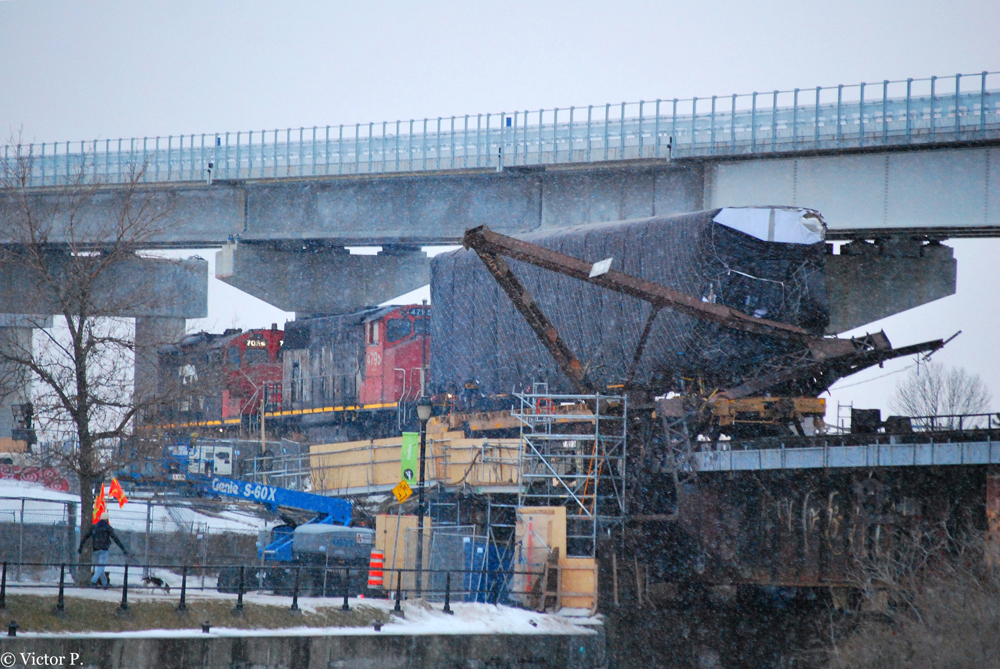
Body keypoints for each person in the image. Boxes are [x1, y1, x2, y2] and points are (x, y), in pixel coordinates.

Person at [78, 511, 129, 588]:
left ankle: (105, 584)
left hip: (95, 549)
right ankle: (93, 581)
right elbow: (115, 538)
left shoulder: (94, 527)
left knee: (100, 566)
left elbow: (85, 537)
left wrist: (80, 547)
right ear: (107, 519)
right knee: (101, 566)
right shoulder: (107, 527)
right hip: (104, 549)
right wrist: (123, 549)